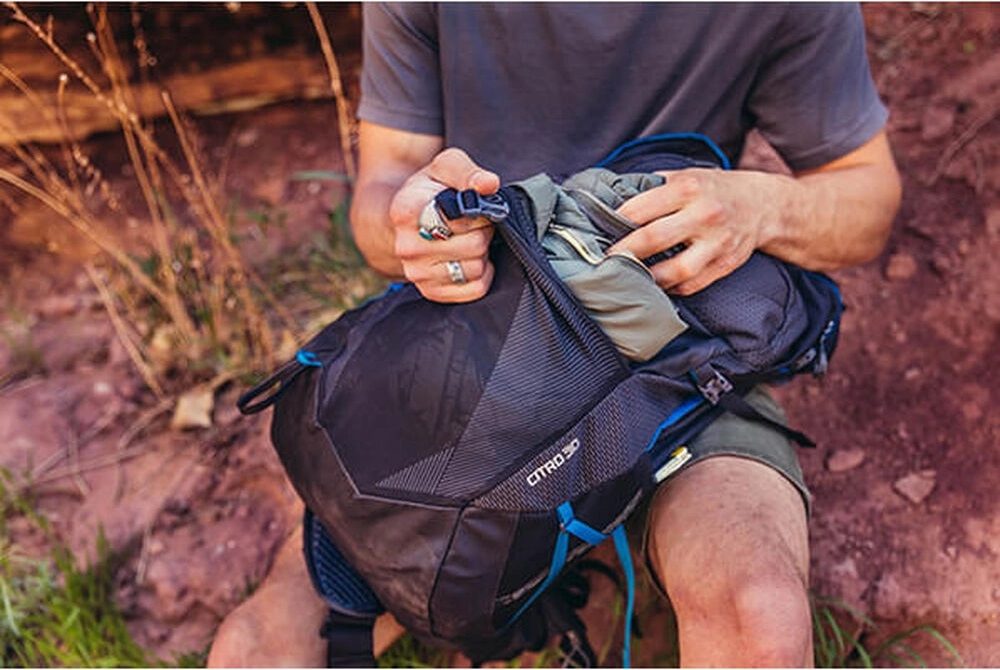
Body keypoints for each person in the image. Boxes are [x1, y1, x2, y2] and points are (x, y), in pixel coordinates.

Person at [209, 3, 901, 667]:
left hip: (676, 362)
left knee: (763, 621)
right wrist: (420, 230)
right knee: (258, 651)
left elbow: (868, 199)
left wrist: (760, 206)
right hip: (474, 349)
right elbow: (383, 190)